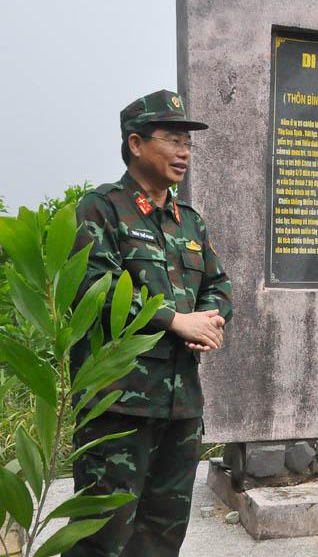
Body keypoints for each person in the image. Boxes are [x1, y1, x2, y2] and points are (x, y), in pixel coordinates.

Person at [64, 90, 233, 557]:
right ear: (136, 143)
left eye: (188, 142)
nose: (184, 151)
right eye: (172, 139)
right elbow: (92, 287)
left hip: (180, 408)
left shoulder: (189, 222)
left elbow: (219, 284)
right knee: (100, 535)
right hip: (118, 407)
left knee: (162, 534)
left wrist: (211, 320)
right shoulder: (101, 208)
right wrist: (175, 320)